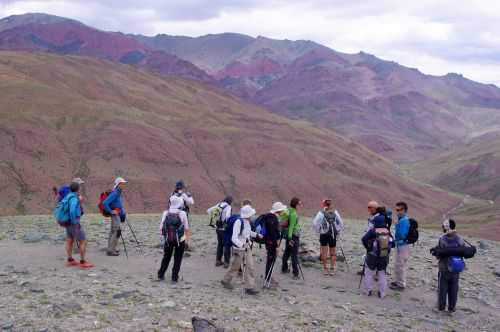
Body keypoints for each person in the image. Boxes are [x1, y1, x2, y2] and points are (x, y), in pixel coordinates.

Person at [221, 205, 261, 295]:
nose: (253, 215)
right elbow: (234, 238)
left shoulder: (247, 222)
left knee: (250, 266)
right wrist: (242, 245)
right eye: (251, 214)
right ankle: (225, 280)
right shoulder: (238, 222)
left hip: (247, 247)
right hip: (239, 249)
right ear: (248, 215)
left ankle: (249, 287)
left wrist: (256, 235)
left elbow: (247, 233)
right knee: (235, 266)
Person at [157, 195, 191, 283]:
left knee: (166, 257)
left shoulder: (166, 213)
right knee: (178, 259)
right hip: (180, 240)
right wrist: (187, 241)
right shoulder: (182, 213)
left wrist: (163, 238)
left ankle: (161, 274)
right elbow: (187, 228)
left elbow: (161, 227)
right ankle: (174, 278)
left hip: (168, 239)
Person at [361, 215, 393, 298]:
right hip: (384, 256)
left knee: (369, 273)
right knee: (382, 274)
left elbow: (364, 239)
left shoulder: (373, 230)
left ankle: (368, 291)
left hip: (372, 255)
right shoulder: (387, 231)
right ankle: (382, 293)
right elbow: (393, 244)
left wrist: (368, 248)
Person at [436, 219, 464, 313]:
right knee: (454, 288)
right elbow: (462, 252)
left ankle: (441, 307)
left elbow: (439, 253)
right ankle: (452, 308)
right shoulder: (460, 238)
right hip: (456, 268)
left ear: (447, 226)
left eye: (444, 226)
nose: (443, 228)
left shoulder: (443, 239)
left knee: (443, 288)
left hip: (444, 267)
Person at [65, 182, 93, 268]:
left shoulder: (68, 196)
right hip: (74, 223)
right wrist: (75, 222)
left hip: (67, 222)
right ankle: (82, 261)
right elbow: (73, 211)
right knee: (83, 241)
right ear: (78, 189)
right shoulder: (74, 198)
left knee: (70, 240)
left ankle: (70, 260)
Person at [312, 199, 344, 275]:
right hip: (333, 235)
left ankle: (325, 269)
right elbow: (341, 223)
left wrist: (318, 231)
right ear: (330, 204)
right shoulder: (335, 212)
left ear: (323, 204)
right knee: (333, 253)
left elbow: (315, 223)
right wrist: (338, 231)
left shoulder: (320, 213)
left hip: (324, 234)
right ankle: (332, 269)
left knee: (324, 252)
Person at [261, 202, 287, 288]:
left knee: (270, 260)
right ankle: (268, 279)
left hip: (268, 242)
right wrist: (276, 246)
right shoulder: (272, 219)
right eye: (281, 210)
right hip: (271, 243)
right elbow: (273, 234)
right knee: (271, 260)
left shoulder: (270, 217)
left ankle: (268, 277)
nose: (282, 212)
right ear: (278, 210)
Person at [103, 177, 128, 256]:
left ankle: (111, 248)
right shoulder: (115, 193)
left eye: (124, 183)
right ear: (118, 184)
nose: (124, 185)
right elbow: (105, 203)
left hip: (117, 214)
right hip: (115, 215)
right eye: (122, 184)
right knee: (116, 231)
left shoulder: (118, 192)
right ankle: (111, 250)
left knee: (114, 231)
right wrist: (111, 211)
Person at [207, 196, 233, 267]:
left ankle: (218, 261)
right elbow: (228, 217)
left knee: (220, 244)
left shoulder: (219, 204)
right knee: (227, 245)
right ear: (230, 201)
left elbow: (209, 210)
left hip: (218, 227)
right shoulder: (228, 207)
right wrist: (228, 224)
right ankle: (226, 263)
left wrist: (215, 218)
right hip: (225, 228)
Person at [390, 201, 410, 291]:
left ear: (404, 210)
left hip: (402, 245)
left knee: (401, 264)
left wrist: (397, 226)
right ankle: (398, 281)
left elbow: (401, 234)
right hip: (401, 245)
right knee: (398, 263)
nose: (397, 212)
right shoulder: (402, 220)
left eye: (399, 210)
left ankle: (401, 284)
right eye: (396, 210)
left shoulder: (403, 221)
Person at [281, 197, 302, 279]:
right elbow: (291, 227)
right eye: (299, 204)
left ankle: (284, 268)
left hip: (289, 236)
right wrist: (290, 238)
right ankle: (295, 273)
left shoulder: (289, 211)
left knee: (287, 252)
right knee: (294, 255)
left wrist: (288, 238)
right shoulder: (293, 214)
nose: (300, 206)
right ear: (296, 204)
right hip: (293, 236)